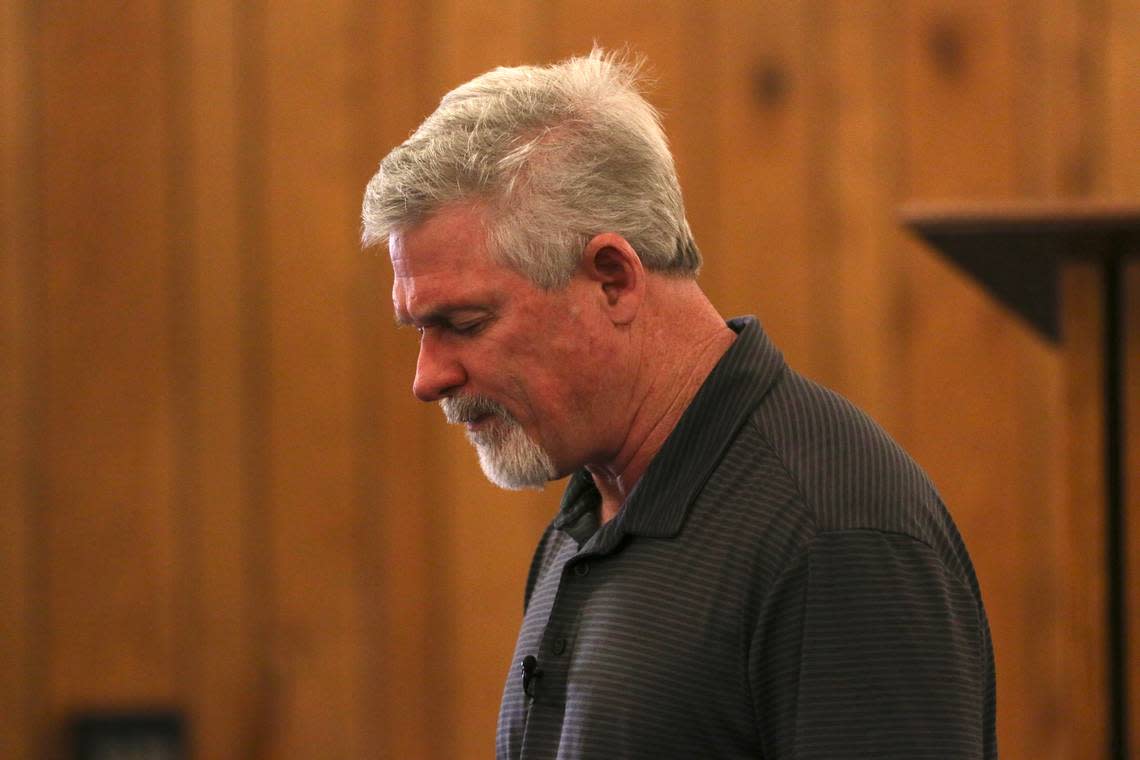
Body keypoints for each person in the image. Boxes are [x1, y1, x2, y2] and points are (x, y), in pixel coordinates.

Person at [362, 49, 996, 760]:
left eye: (465, 324)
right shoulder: (589, 513)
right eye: (421, 329)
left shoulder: (835, 533)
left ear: (613, 278)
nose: (429, 377)